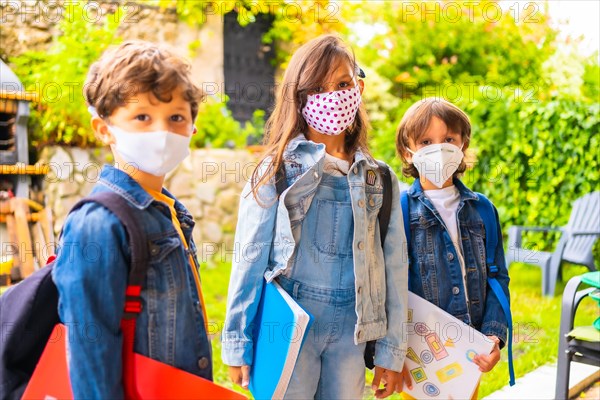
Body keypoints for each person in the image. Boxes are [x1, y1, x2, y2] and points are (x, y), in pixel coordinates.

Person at [222, 34, 409, 399]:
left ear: (359, 88)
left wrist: (391, 349)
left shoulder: (380, 177)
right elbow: (249, 257)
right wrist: (236, 340)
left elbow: (394, 265)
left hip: (353, 331)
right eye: (319, 88)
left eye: (342, 84)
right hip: (290, 324)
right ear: (299, 97)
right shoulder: (276, 169)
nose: (334, 96)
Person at [52, 40, 212, 397]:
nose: (162, 132)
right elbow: (90, 355)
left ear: (192, 129)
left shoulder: (168, 210)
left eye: (176, 118)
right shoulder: (98, 223)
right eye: (142, 117)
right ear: (104, 129)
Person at [395, 97, 510, 398]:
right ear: (408, 150)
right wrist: (390, 354)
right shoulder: (399, 210)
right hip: (418, 354)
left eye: (448, 139)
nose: (438, 148)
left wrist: (493, 337)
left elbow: (497, 277)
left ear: (462, 145)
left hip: (469, 351)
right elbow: (386, 286)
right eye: (425, 141)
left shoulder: (483, 210)